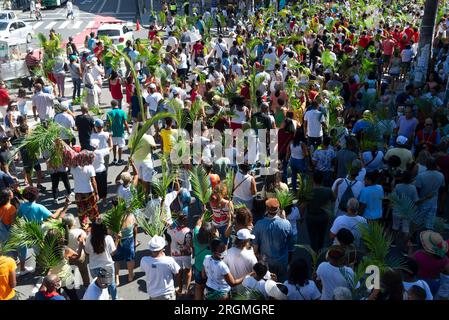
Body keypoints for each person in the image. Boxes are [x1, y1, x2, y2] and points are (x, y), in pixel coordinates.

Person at [253, 198, 294, 282]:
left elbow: (255, 248)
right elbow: (291, 244)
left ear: (266, 209)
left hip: (266, 261)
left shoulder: (259, 224)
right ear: (278, 209)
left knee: (268, 284)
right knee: (281, 283)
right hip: (282, 261)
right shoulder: (286, 223)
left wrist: (260, 258)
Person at [84, 221, 119, 300]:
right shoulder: (108, 238)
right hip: (107, 267)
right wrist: (117, 240)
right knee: (111, 284)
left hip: (94, 267)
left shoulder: (89, 238)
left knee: (99, 287)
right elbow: (113, 253)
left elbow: (87, 252)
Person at [141, 236, 180, 300]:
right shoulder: (169, 260)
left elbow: (144, 269)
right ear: (162, 248)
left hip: (153, 294)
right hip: (167, 293)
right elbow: (177, 271)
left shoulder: (144, 260)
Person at [306, 171, 335, 251]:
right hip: (323, 217)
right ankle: (320, 252)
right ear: (322, 180)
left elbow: (303, 205)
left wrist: (301, 216)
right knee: (322, 237)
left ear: (313, 180)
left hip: (311, 217)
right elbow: (333, 199)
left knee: (312, 238)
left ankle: (314, 256)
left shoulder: (308, 191)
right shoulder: (328, 191)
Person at [223, 228, 258, 293]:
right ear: (246, 241)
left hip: (232, 289)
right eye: (249, 240)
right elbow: (256, 273)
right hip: (246, 291)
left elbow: (224, 270)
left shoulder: (228, 252)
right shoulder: (251, 256)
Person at [192, 213, 217, 300]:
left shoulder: (195, 236)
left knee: (198, 287)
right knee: (210, 290)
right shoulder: (215, 244)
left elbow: (198, 224)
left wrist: (202, 213)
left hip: (198, 267)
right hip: (210, 271)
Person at [415, 157, 445, 229]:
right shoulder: (441, 175)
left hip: (421, 203)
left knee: (416, 224)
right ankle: (426, 239)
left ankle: (415, 239)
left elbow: (417, 191)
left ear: (427, 165)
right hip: (433, 204)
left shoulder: (421, 176)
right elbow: (442, 189)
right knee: (429, 226)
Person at [62, 213, 90, 287]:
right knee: (84, 273)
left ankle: (74, 285)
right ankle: (87, 286)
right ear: (73, 222)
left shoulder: (62, 234)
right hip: (80, 256)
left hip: (69, 258)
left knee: (72, 272)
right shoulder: (79, 231)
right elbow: (86, 241)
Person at [71, 162, 99, 230]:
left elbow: (73, 177)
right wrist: (96, 193)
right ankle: (96, 227)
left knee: (81, 212)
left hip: (78, 192)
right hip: (88, 192)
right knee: (93, 211)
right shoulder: (90, 167)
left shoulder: (73, 167)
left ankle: (84, 229)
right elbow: (93, 181)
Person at [112, 210, 137, 285]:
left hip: (116, 240)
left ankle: (116, 278)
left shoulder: (114, 216)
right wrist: (135, 240)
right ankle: (130, 275)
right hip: (129, 239)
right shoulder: (131, 215)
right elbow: (135, 228)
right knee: (130, 258)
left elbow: (109, 231)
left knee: (116, 259)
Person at [106, 99, 130, 166]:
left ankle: (114, 159)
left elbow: (107, 124)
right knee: (120, 147)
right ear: (118, 105)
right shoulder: (122, 112)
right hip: (120, 132)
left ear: (111, 105)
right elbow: (125, 123)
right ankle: (119, 160)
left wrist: (107, 130)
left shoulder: (109, 113)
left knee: (114, 146)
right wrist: (128, 130)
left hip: (112, 132)